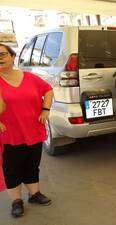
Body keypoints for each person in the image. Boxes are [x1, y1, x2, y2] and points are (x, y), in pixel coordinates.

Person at [0, 43, 54, 217]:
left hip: (33, 131)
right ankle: (17, 201)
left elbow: (48, 90)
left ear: (13, 56)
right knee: (12, 169)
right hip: (10, 133)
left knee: (32, 165)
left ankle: (34, 194)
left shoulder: (30, 77)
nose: (0, 58)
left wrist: (45, 110)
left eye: (2, 54)